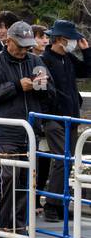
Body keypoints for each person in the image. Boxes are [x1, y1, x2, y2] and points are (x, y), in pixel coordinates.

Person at [0, 22, 56, 233]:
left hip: (31, 130)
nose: (25, 50)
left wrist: (41, 86)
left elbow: (51, 93)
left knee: (26, 179)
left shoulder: (36, 60)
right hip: (6, 129)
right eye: (21, 45)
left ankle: (19, 223)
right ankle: (2, 222)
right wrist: (16, 86)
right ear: (9, 41)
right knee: (8, 176)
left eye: (27, 45)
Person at [39, 20, 91, 222]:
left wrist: (87, 52)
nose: (75, 43)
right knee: (62, 159)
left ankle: (61, 203)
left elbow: (87, 71)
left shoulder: (67, 58)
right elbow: (41, 91)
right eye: (72, 39)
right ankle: (51, 205)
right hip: (54, 118)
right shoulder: (44, 60)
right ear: (61, 39)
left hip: (71, 116)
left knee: (69, 161)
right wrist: (45, 118)